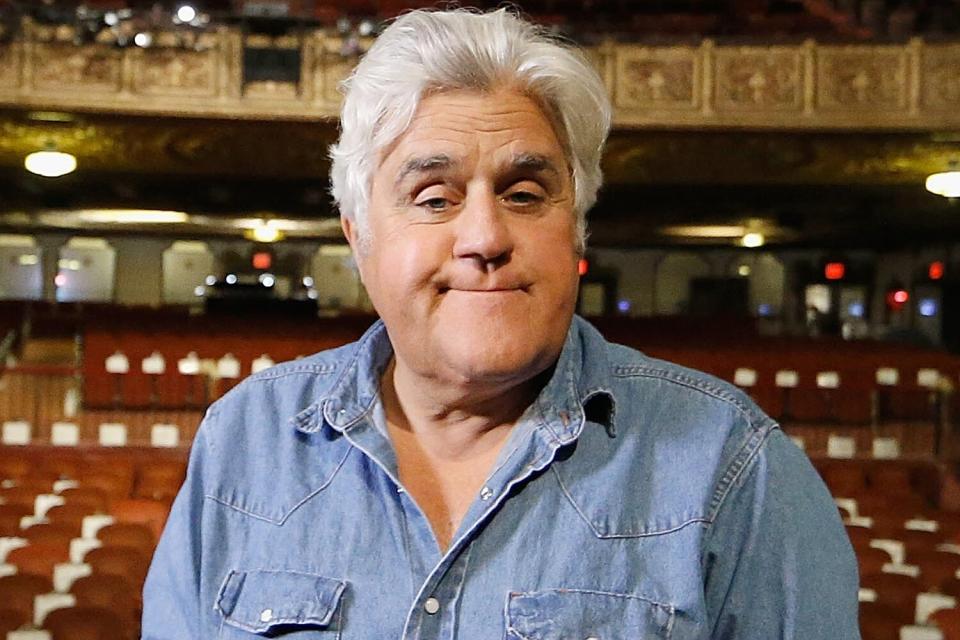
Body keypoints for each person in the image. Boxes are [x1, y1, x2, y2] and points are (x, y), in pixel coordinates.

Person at [142, 8, 859, 638]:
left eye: (524, 193)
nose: (485, 236)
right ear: (358, 237)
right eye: (433, 198)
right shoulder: (243, 442)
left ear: (575, 228)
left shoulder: (734, 467)